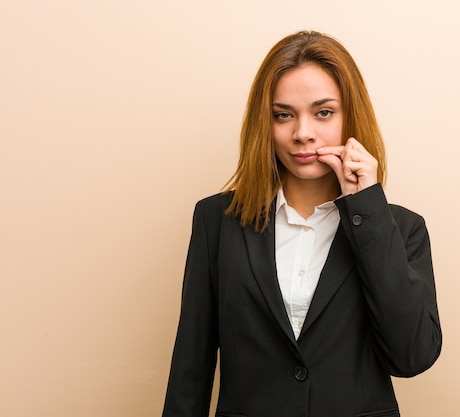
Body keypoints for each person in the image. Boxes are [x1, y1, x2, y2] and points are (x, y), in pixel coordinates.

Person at [162, 30, 442, 417]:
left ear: (350, 117)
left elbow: (412, 357)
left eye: (324, 112)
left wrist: (367, 208)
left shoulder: (400, 228)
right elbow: (189, 373)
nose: (302, 133)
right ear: (266, 123)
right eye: (284, 115)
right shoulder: (217, 221)